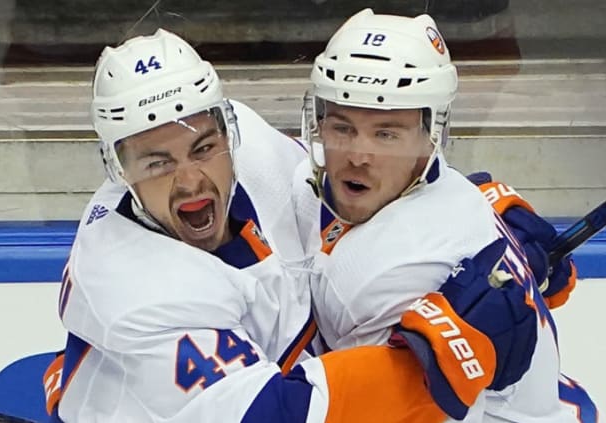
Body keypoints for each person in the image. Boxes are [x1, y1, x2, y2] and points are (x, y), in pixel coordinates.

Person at [43, 28, 536, 423]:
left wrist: (465, 211)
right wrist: (438, 357)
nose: (190, 180)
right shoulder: (135, 290)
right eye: (156, 163)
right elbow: (281, 413)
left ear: (226, 129)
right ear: (119, 171)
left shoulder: (251, 149)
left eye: (203, 149)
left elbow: (327, 199)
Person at [296, 8, 597, 422]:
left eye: (386, 134)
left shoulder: (389, 271)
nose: (357, 157)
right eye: (342, 127)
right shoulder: (456, 194)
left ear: (429, 136)